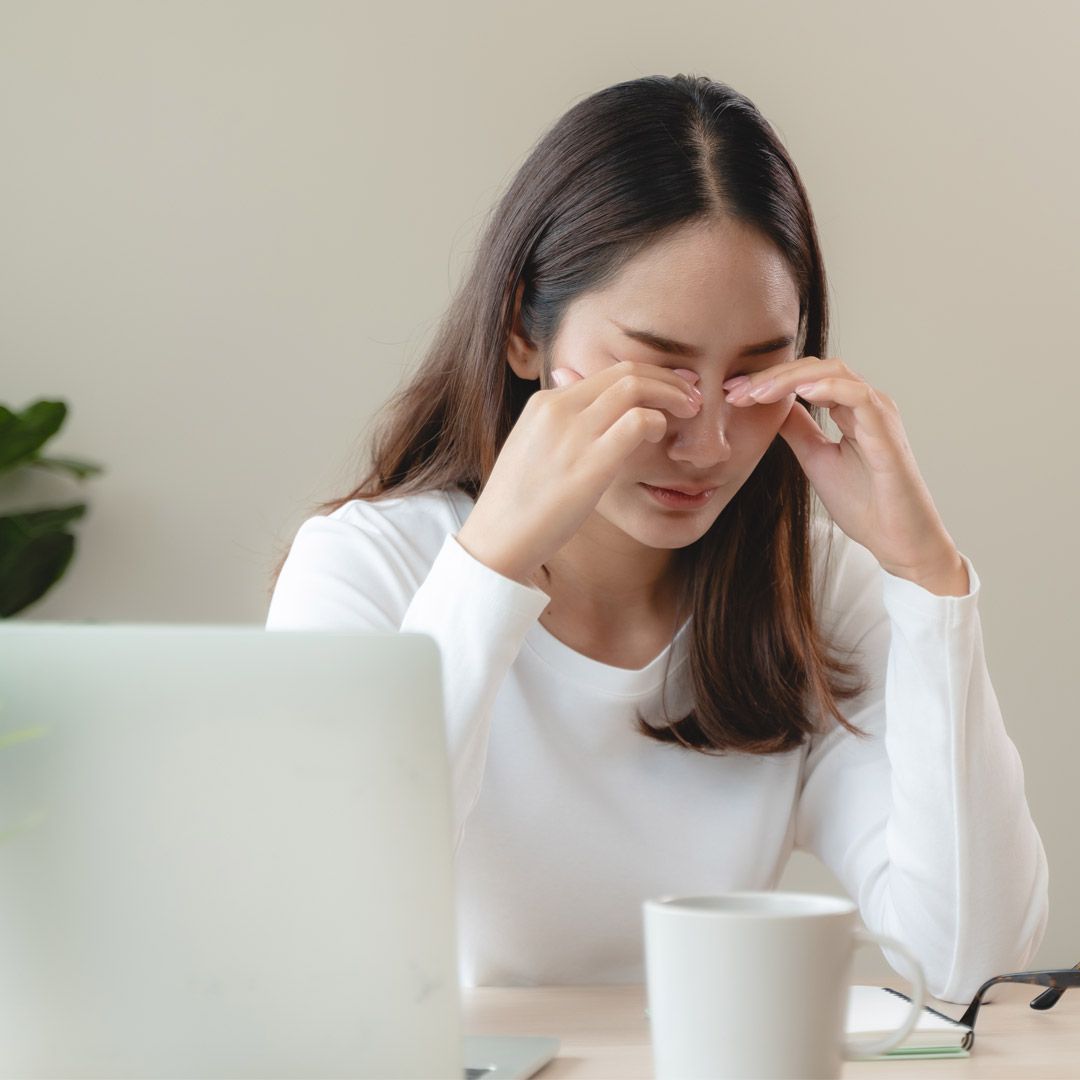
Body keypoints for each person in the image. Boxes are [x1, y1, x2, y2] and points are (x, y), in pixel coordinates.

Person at [265, 73, 1049, 1003]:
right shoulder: (366, 566)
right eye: (659, 374)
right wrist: (490, 568)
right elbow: (319, 928)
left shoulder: (812, 592)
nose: (709, 443)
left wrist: (928, 584)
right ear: (524, 329)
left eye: (756, 378)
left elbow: (970, 962)